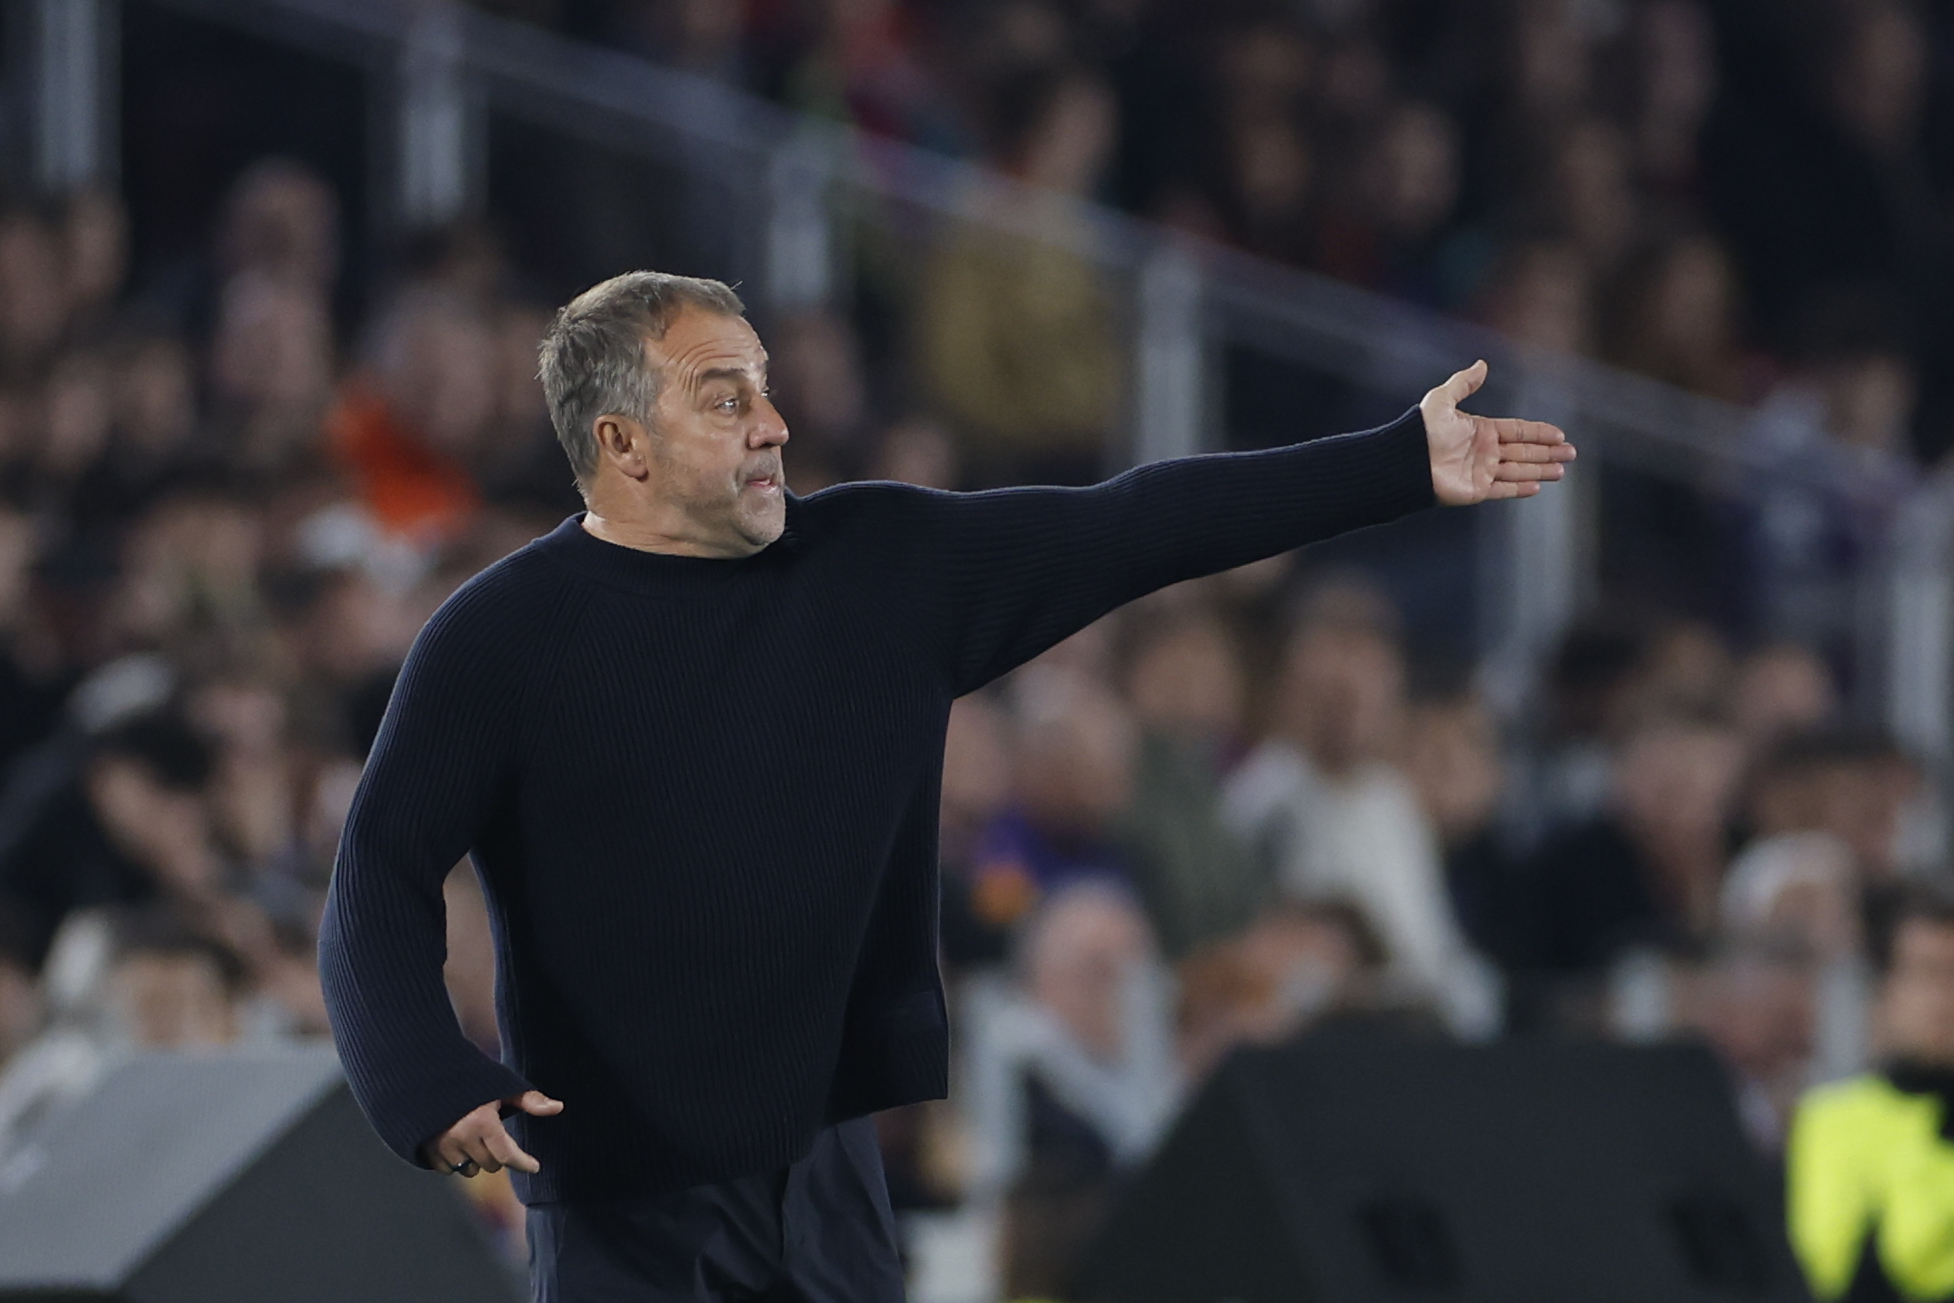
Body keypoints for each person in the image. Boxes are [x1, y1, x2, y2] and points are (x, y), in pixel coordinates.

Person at [317, 270, 1573, 1302]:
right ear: (620, 443)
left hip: (831, 1182)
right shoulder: (499, 639)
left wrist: (1394, 463)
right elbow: (379, 871)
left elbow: (1134, 523)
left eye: (764, 387)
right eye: (724, 397)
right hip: (623, 1210)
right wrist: (426, 1078)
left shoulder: (879, 568)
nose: (773, 424)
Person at [1787, 888, 1954, 1302]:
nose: (1947, 996)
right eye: (1928, 973)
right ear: (1885, 991)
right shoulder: (1830, 1118)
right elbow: (1834, 1273)